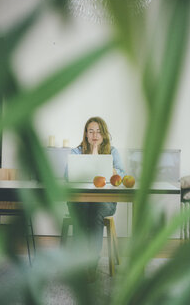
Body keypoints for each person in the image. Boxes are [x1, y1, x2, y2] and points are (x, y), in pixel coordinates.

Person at [66, 117, 125, 281]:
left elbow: (122, 175)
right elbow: (67, 176)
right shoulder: (76, 152)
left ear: (104, 134)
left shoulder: (112, 152)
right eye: (91, 131)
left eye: (99, 131)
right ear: (85, 134)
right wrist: (90, 156)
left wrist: (101, 159)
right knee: (82, 208)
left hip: (104, 203)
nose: (95, 135)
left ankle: (92, 263)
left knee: (96, 209)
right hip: (80, 201)